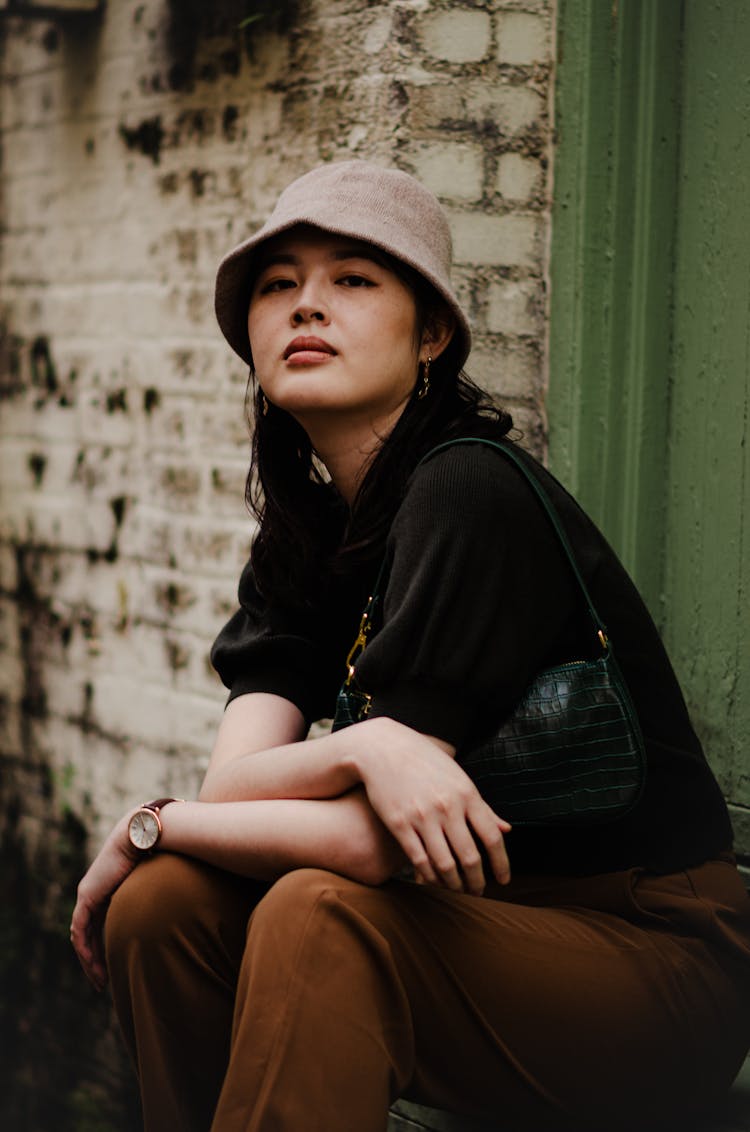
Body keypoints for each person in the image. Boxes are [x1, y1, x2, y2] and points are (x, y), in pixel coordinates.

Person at [71, 160, 750, 1132]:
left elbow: (362, 846)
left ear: (431, 333)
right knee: (163, 906)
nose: (306, 304)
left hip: (650, 954)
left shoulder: (469, 491)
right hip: (474, 924)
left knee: (317, 914)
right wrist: (361, 746)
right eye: (277, 285)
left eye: (353, 279)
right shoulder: (302, 542)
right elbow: (237, 785)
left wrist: (150, 823)